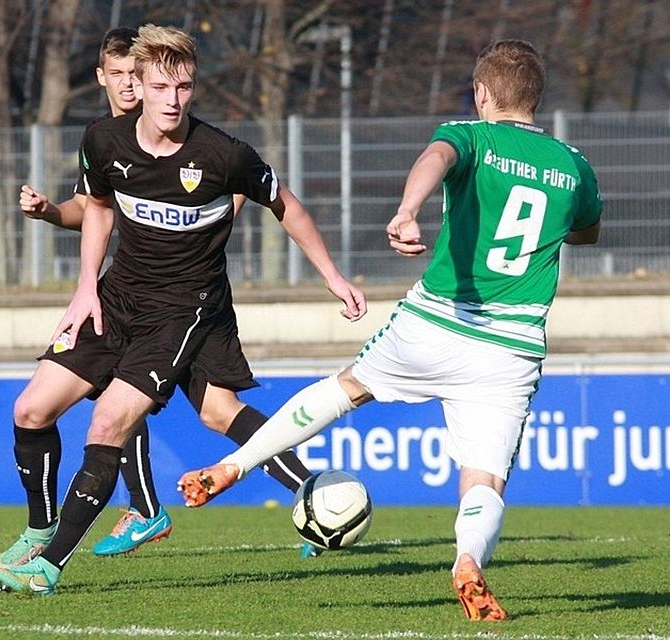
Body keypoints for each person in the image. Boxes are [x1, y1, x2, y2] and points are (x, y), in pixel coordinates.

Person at [178, 39, 602, 622]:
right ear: (536, 98)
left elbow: (436, 159)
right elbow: (587, 231)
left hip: (438, 319)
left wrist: (407, 209)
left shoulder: (471, 135)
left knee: (344, 389)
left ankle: (235, 464)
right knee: (484, 479)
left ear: (482, 93)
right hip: (511, 344)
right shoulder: (574, 165)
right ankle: (467, 560)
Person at [0, 23, 366, 595]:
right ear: (137, 84)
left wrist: (333, 276)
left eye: (183, 87)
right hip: (116, 298)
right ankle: (38, 532)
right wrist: (86, 284)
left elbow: (287, 205)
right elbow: (99, 211)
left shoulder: (223, 155)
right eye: (161, 87)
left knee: (110, 420)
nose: (173, 99)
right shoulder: (104, 142)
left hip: (185, 311)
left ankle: (48, 567)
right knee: (31, 410)